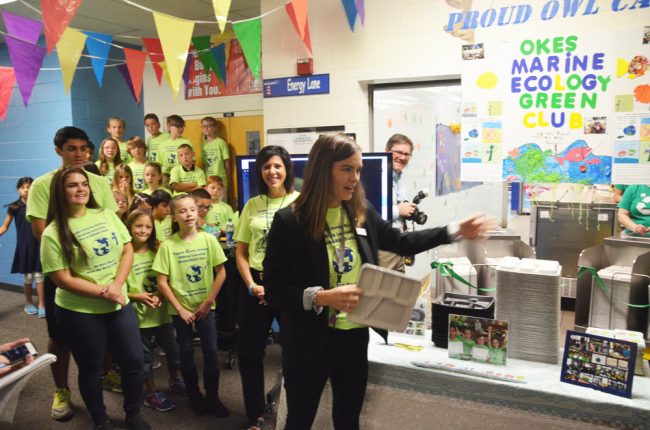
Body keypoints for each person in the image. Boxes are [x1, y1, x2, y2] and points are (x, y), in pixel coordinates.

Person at [263, 133, 490, 429]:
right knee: (300, 420)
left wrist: (454, 229)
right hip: (308, 342)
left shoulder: (360, 212)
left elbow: (401, 241)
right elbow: (274, 289)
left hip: (354, 338)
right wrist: (321, 297)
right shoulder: (289, 222)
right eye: (346, 169)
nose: (355, 177)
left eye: (358, 170)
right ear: (322, 169)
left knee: (348, 419)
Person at [40, 167, 149, 430]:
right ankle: (100, 419)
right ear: (60, 192)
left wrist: (117, 286)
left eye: (84, 184)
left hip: (118, 304)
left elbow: (127, 251)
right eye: (72, 185)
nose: (81, 189)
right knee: (90, 369)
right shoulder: (52, 232)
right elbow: (62, 279)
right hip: (80, 312)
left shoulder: (105, 214)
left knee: (134, 362)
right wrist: (105, 291)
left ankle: (133, 414)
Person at [26, 126, 117, 422]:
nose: (79, 154)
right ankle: (61, 389)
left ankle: (104, 376)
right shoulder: (43, 185)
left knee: (106, 330)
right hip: (63, 272)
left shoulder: (98, 182)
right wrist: (77, 258)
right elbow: (40, 231)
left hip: (101, 272)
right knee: (59, 336)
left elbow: (110, 222)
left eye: (83, 148)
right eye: (71, 149)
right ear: (59, 151)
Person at [234, 145, 299, 430]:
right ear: (260, 172)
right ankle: (255, 414)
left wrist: (276, 289)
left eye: (278, 166)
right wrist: (251, 285)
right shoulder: (252, 205)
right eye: (266, 167)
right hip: (256, 287)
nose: (272, 171)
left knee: (297, 351)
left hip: (288, 286)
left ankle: (296, 413)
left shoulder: (301, 202)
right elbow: (241, 253)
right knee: (249, 353)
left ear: (286, 170)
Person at [152, 195, 230, 417]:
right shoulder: (168, 246)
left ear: (198, 212)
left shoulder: (209, 240)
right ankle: (195, 396)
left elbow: (221, 272)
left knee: (211, 352)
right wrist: (180, 309)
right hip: (181, 310)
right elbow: (162, 281)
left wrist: (208, 302)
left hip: (206, 309)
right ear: (174, 217)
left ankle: (213, 397)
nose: (189, 214)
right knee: (185, 352)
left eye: (192, 209)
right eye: (183, 211)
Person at [125, 209, 185, 413]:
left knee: (173, 351)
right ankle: (151, 394)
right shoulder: (124, 255)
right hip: (139, 319)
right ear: (130, 228)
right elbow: (118, 288)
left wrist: (160, 294)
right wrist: (138, 296)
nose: (143, 230)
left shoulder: (157, 251)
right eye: (138, 226)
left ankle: (175, 379)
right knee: (145, 359)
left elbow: (165, 279)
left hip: (162, 315)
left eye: (148, 227)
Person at [0, 177, 45, 317]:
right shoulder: (14, 207)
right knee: (28, 277)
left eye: (29, 187)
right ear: (18, 190)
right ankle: (29, 303)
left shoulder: (39, 204)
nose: (26, 190)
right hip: (24, 247)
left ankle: (42, 305)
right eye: (23, 187)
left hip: (39, 245)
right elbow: (4, 226)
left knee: (39, 276)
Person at [378, 134, 418, 272]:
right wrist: (397, 211)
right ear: (386, 151)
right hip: (383, 249)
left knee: (398, 291)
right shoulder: (377, 176)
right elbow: (367, 212)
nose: (402, 157)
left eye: (407, 154)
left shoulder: (398, 180)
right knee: (381, 291)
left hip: (399, 246)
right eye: (398, 152)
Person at [200, 117, 231, 200]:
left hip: (220, 178)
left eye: (209, 126)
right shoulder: (203, 145)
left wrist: (228, 178)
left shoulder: (220, 142)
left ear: (215, 128)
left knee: (221, 202)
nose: (206, 128)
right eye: (204, 126)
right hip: (208, 180)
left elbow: (227, 162)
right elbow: (203, 164)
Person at [156, 115, 191, 180]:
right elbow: (159, 163)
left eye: (182, 126)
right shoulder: (162, 144)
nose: (181, 129)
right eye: (178, 126)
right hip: (166, 176)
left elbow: (191, 161)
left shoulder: (186, 142)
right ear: (169, 127)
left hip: (181, 175)